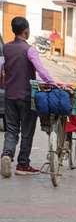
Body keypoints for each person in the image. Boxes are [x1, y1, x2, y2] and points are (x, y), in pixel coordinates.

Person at [0, 15, 55, 178]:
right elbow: (41, 70)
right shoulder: (29, 49)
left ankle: (7, 154)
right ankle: (23, 164)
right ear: (26, 31)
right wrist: (52, 83)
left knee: (11, 129)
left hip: (9, 95)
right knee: (27, 131)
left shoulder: (6, 48)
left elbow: (2, 69)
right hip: (26, 96)